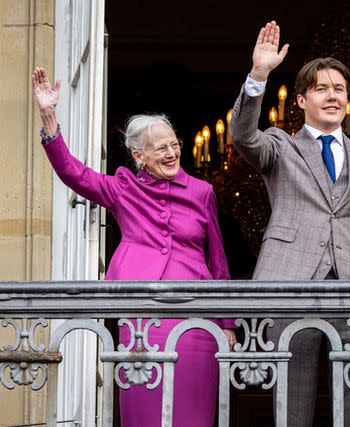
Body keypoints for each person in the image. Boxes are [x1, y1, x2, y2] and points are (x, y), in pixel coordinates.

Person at [31, 67, 236, 427]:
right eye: (161, 148)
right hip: (142, 312)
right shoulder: (123, 188)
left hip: (197, 314)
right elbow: (73, 173)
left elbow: (217, 261)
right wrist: (50, 118)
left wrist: (228, 322)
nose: (172, 153)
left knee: (194, 410)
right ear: (139, 156)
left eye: (175, 145)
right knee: (145, 408)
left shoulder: (202, 192)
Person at [230, 21, 350, 427]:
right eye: (322, 89)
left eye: (339, 89)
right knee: (292, 407)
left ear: (348, 100)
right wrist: (259, 75)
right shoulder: (280, 145)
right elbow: (241, 135)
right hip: (291, 288)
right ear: (302, 99)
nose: (332, 96)